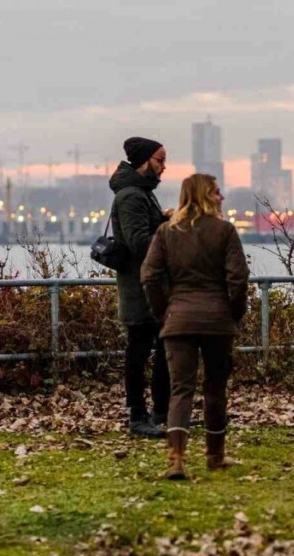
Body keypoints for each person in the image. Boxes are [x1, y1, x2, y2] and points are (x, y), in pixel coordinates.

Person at [141, 174, 250, 480]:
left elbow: (149, 276)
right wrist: (234, 313)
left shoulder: (166, 232)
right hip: (217, 321)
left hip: (178, 319)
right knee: (215, 387)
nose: (222, 197)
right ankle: (215, 455)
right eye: (216, 192)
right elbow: (238, 278)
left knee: (180, 389)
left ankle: (176, 459)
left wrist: (163, 311)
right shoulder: (224, 231)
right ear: (204, 195)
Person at [110, 137, 171, 438]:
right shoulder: (132, 196)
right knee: (138, 351)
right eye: (160, 160)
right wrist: (170, 231)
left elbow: (146, 232)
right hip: (139, 287)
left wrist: (162, 220)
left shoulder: (143, 193)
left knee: (164, 347)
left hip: (153, 285)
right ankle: (138, 415)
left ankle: (162, 411)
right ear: (144, 161)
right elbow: (139, 243)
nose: (164, 167)